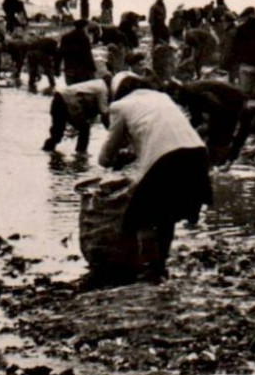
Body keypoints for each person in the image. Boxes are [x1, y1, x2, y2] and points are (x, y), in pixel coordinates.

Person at [98, 73, 213, 277]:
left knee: (137, 216)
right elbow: (158, 132)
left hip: (167, 158)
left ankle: (141, 266)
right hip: (197, 153)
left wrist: (107, 162)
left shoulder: (120, 106)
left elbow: (108, 151)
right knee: (166, 214)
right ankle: (159, 266)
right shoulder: (161, 97)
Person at [44, 74, 111, 154]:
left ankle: (47, 152)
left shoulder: (97, 83)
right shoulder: (102, 89)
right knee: (84, 128)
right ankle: (80, 154)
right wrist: (113, 133)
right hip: (65, 102)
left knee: (57, 135)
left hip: (59, 98)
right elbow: (104, 114)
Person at [59, 18, 97, 85]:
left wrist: (56, 67)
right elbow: (88, 55)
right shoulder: (84, 38)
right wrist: (92, 69)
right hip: (82, 71)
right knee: (82, 90)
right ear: (84, 27)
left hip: (69, 69)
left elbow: (60, 53)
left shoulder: (65, 37)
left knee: (72, 91)